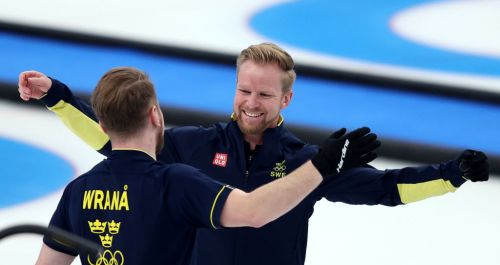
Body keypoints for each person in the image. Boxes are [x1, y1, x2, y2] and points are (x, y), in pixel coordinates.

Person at [19, 43, 490, 265]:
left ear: (286, 100)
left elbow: (386, 190)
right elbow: (117, 140)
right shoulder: (191, 146)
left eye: (264, 95)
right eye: (244, 90)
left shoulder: (311, 161)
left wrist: (451, 174)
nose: (250, 102)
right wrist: (57, 96)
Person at [31, 66, 380, 265]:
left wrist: (56, 97)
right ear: (155, 115)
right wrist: (323, 164)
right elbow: (255, 211)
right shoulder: (177, 183)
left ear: (104, 127)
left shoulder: (78, 191)